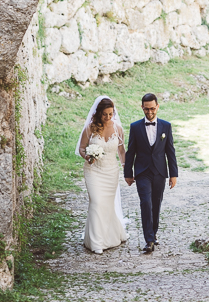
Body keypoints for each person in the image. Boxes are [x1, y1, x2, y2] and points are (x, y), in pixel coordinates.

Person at [124, 92, 178, 254]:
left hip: (160, 172)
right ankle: (148, 239)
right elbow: (130, 151)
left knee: (156, 204)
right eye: (146, 109)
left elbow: (170, 151)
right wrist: (128, 173)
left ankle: (153, 233)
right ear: (142, 108)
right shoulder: (135, 127)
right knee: (145, 203)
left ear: (157, 107)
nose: (149, 112)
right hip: (142, 172)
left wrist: (173, 174)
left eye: (152, 109)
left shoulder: (166, 126)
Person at [76, 95, 127, 254]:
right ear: (99, 113)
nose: (108, 117)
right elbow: (82, 148)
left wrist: (126, 168)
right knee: (97, 202)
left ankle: (110, 236)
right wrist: (88, 156)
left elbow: (121, 150)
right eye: (105, 114)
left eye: (110, 114)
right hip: (93, 171)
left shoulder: (118, 129)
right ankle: (96, 242)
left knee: (107, 204)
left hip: (111, 171)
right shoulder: (90, 128)